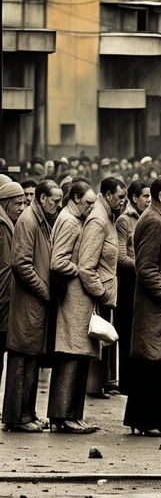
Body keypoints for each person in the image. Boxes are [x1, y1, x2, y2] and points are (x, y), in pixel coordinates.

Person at [124, 175, 161, 437]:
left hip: (160, 306)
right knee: (152, 359)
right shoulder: (153, 221)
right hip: (155, 306)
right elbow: (145, 267)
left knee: (160, 360)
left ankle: (157, 420)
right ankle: (147, 421)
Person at [3, 180, 62, 432]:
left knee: (31, 359)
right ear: (41, 199)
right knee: (22, 358)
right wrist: (44, 291)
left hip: (34, 303)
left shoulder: (38, 219)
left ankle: (28, 414)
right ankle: (17, 418)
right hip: (29, 303)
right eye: (55, 201)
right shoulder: (29, 221)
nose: (59, 205)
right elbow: (21, 265)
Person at [47, 181, 98, 433]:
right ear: (75, 198)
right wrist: (80, 271)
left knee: (77, 356)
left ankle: (72, 415)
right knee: (70, 356)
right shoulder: (69, 221)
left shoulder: (72, 218)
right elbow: (58, 261)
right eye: (88, 202)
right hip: (72, 299)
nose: (91, 207)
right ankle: (63, 415)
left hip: (76, 300)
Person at [82, 178, 127, 399]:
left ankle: (95, 388)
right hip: (97, 296)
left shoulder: (108, 215)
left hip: (104, 295)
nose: (123, 202)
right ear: (108, 195)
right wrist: (100, 292)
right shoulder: (99, 220)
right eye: (120, 197)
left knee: (100, 348)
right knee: (92, 347)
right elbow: (86, 266)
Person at [114, 180, 150, 395]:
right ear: (134, 198)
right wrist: (144, 266)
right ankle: (125, 382)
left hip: (144, 283)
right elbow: (120, 256)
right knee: (127, 333)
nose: (148, 200)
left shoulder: (151, 217)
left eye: (150, 196)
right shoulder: (124, 221)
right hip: (128, 284)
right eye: (145, 196)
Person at [0, 180, 26, 383]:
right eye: (18, 203)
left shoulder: (9, 223)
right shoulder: (2, 226)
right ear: (5, 202)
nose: (22, 208)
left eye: (24, 203)